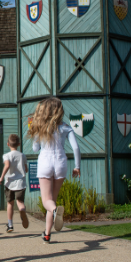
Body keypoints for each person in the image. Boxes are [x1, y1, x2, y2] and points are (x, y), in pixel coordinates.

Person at [28, 97, 81, 244]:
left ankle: (55, 213)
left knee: (47, 201)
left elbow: (35, 148)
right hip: (60, 161)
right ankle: (47, 233)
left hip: (45, 160)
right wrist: (77, 166)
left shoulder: (41, 127)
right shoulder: (65, 127)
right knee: (53, 200)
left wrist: (33, 131)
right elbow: (76, 147)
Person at [0, 134, 28, 232]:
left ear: (8, 144)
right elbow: (26, 169)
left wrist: (1, 177)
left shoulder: (6, 155)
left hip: (9, 183)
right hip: (20, 182)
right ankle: (22, 210)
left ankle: (10, 225)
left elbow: (7, 165)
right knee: (20, 202)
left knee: (10, 203)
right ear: (19, 144)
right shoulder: (22, 155)